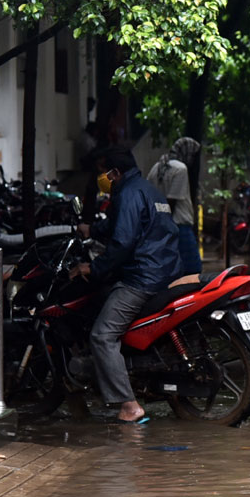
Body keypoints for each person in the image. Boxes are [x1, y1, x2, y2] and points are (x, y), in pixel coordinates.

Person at [70, 147, 181, 424]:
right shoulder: (147, 190)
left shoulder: (129, 193)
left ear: (115, 173)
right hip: (166, 270)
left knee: (102, 335)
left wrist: (93, 268)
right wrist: (92, 230)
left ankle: (130, 406)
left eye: (103, 172)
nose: (101, 178)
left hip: (143, 277)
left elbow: (122, 243)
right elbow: (121, 226)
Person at [147, 136, 202, 275]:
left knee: (171, 272)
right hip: (179, 226)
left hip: (160, 227)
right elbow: (171, 202)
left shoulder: (156, 167)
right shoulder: (181, 169)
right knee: (193, 271)